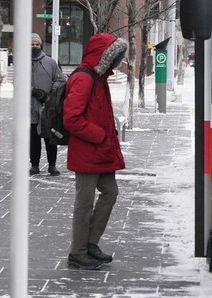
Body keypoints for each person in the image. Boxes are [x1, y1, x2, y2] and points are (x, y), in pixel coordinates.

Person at [63, 33, 128, 270]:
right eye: (116, 56)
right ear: (104, 56)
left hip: (101, 151)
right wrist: (99, 135)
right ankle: (77, 252)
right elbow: (71, 118)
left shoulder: (99, 78)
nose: (118, 61)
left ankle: (90, 243)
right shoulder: (84, 78)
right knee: (84, 202)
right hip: (87, 150)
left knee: (110, 193)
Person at [30, 33, 66, 176]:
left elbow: (61, 80)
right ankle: (34, 165)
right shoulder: (22, 61)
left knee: (50, 138)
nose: (35, 47)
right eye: (32, 44)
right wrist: (33, 91)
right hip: (30, 107)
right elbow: (18, 82)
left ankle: (52, 165)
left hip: (48, 107)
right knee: (33, 139)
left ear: (41, 45)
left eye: (37, 44)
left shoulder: (50, 62)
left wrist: (50, 93)